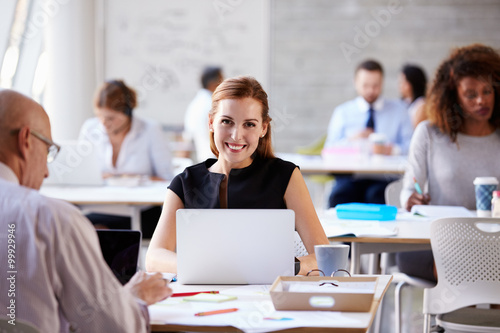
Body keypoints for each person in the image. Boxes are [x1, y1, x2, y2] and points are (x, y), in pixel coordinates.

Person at [0, 89, 172, 332]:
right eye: (48, 149)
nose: (47, 172)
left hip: (142, 206)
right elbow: (115, 327)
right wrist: (132, 298)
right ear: (26, 141)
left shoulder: (149, 130)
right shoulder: (52, 220)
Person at [146, 76, 330, 275]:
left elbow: (325, 257)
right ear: (210, 122)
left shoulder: (285, 176)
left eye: (249, 124)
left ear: (263, 128)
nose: (236, 135)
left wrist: (285, 266)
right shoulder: (185, 182)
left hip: (267, 299)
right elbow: (154, 257)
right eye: (227, 121)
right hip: (204, 299)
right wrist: (207, 269)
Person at [398, 44, 500, 282]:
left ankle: (475, 317)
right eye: (470, 94)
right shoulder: (429, 134)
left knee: (488, 262)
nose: (481, 101)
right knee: (480, 266)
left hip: (493, 242)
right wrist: (409, 199)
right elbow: (409, 189)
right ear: (453, 96)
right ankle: (466, 316)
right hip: (437, 243)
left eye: (487, 91)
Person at [79, 79, 173, 237]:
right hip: (100, 207)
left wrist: (132, 179)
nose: (104, 124)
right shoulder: (90, 128)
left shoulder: (150, 130)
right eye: (99, 116)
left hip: (143, 211)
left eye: (111, 118)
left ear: (127, 112)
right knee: (77, 228)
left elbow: (167, 179)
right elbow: (81, 174)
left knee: (100, 232)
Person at [324, 59, 413, 207]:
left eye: (375, 86)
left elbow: (412, 148)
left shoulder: (399, 111)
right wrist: (351, 140)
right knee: (340, 196)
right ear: (355, 83)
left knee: (375, 196)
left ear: (382, 83)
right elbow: (329, 149)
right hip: (350, 178)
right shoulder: (343, 112)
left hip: (384, 179)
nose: (371, 91)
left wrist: (393, 150)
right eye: (365, 85)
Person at [184, 66, 224, 162]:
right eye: (221, 80)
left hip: (204, 159)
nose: (224, 84)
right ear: (212, 83)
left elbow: (187, 137)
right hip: (217, 158)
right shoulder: (213, 104)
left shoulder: (195, 104)